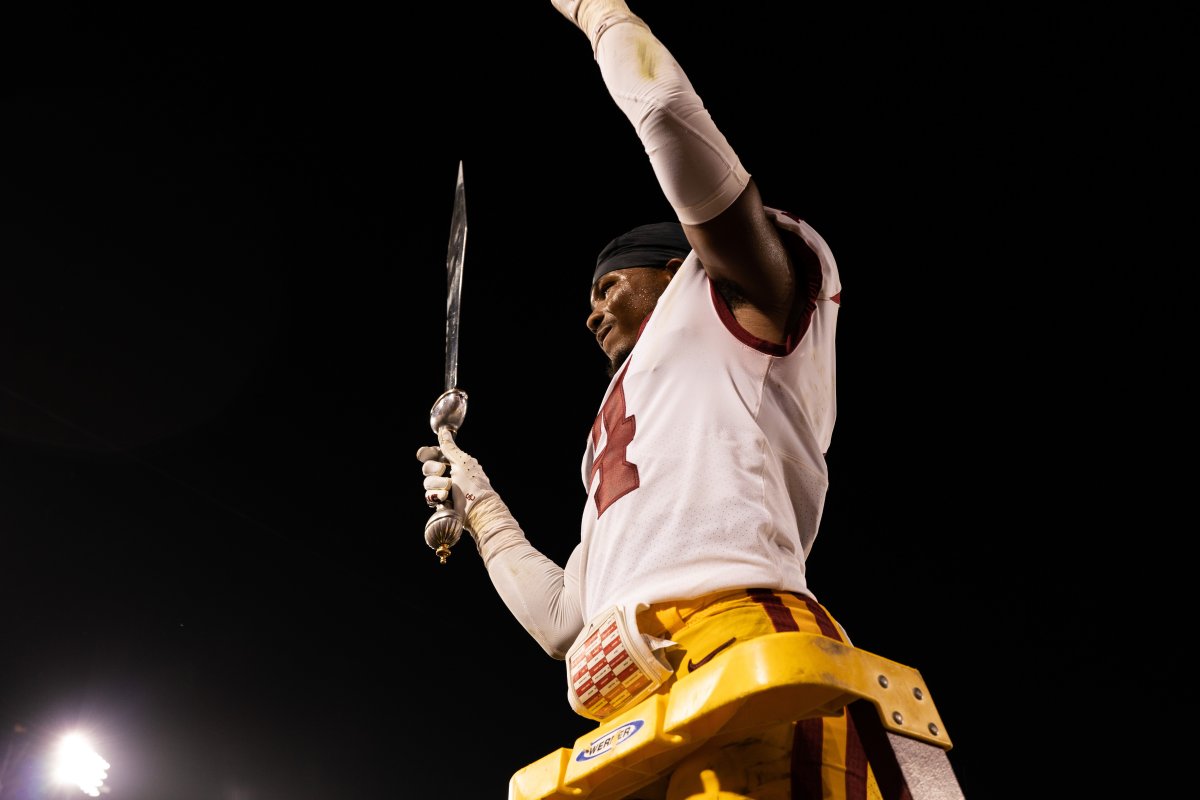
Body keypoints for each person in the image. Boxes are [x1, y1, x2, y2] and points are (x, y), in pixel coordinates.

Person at [418, 2, 892, 797]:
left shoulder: (738, 303)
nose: (593, 310)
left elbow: (668, 110)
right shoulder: (620, 429)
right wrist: (479, 503)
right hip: (625, 709)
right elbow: (564, 624)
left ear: (677, 271)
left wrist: (599, 13)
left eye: (609, 285)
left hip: (736, 654)